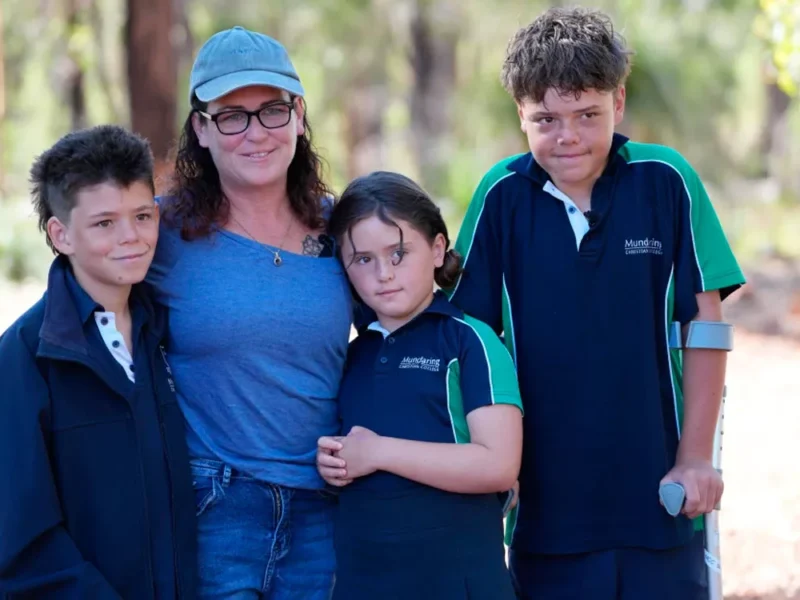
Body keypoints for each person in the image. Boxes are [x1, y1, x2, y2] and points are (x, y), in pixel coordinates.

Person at [447, 8, 746, 600]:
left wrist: (694, 460)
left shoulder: (666, 180)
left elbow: (705, 324)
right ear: (521, 115)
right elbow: (468, 342)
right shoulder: (499, 196)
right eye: (546, 119)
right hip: (545, 509)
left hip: (661, 495)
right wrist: (483, 465)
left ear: (620, 101)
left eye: (588, 114)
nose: (569, 137)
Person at [148, 26, 352, 598]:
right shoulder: (161, 231)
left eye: (271, 111)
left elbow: (411, 332)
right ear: (201, 129)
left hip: (327, 511)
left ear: (298, 114)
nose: (255, 133)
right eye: (232, 115)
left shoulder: (347, 227)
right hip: (214, 505)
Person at [0, 125, 196, 598]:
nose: (132, 237)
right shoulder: (24, 358)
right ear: (60, 233)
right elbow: (21, 544)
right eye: (104, 223)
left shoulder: (165, 333)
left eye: (143, 216)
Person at [315, 171, 523, 600]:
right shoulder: (351, 354)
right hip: (364, 583)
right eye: (363, 259)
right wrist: (334, 464)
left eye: (399, 253)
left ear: (437, 248)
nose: (384, 274)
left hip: (459, 582)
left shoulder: (471, 341)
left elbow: (499, 464)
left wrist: (378, 452)